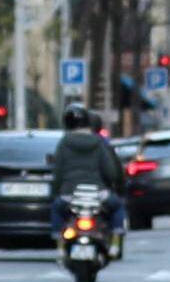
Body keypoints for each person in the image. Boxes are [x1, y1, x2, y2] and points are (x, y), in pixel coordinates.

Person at [47, 109, 129, 258]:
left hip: (69, 194)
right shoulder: (98, 143)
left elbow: (57, 172)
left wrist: (56, 192)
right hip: (97, 193)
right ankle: (115, 244)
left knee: (56, 209)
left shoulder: (64, 143)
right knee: (117, 206)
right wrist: (111, 185)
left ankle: (59, 246)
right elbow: (110, 171)